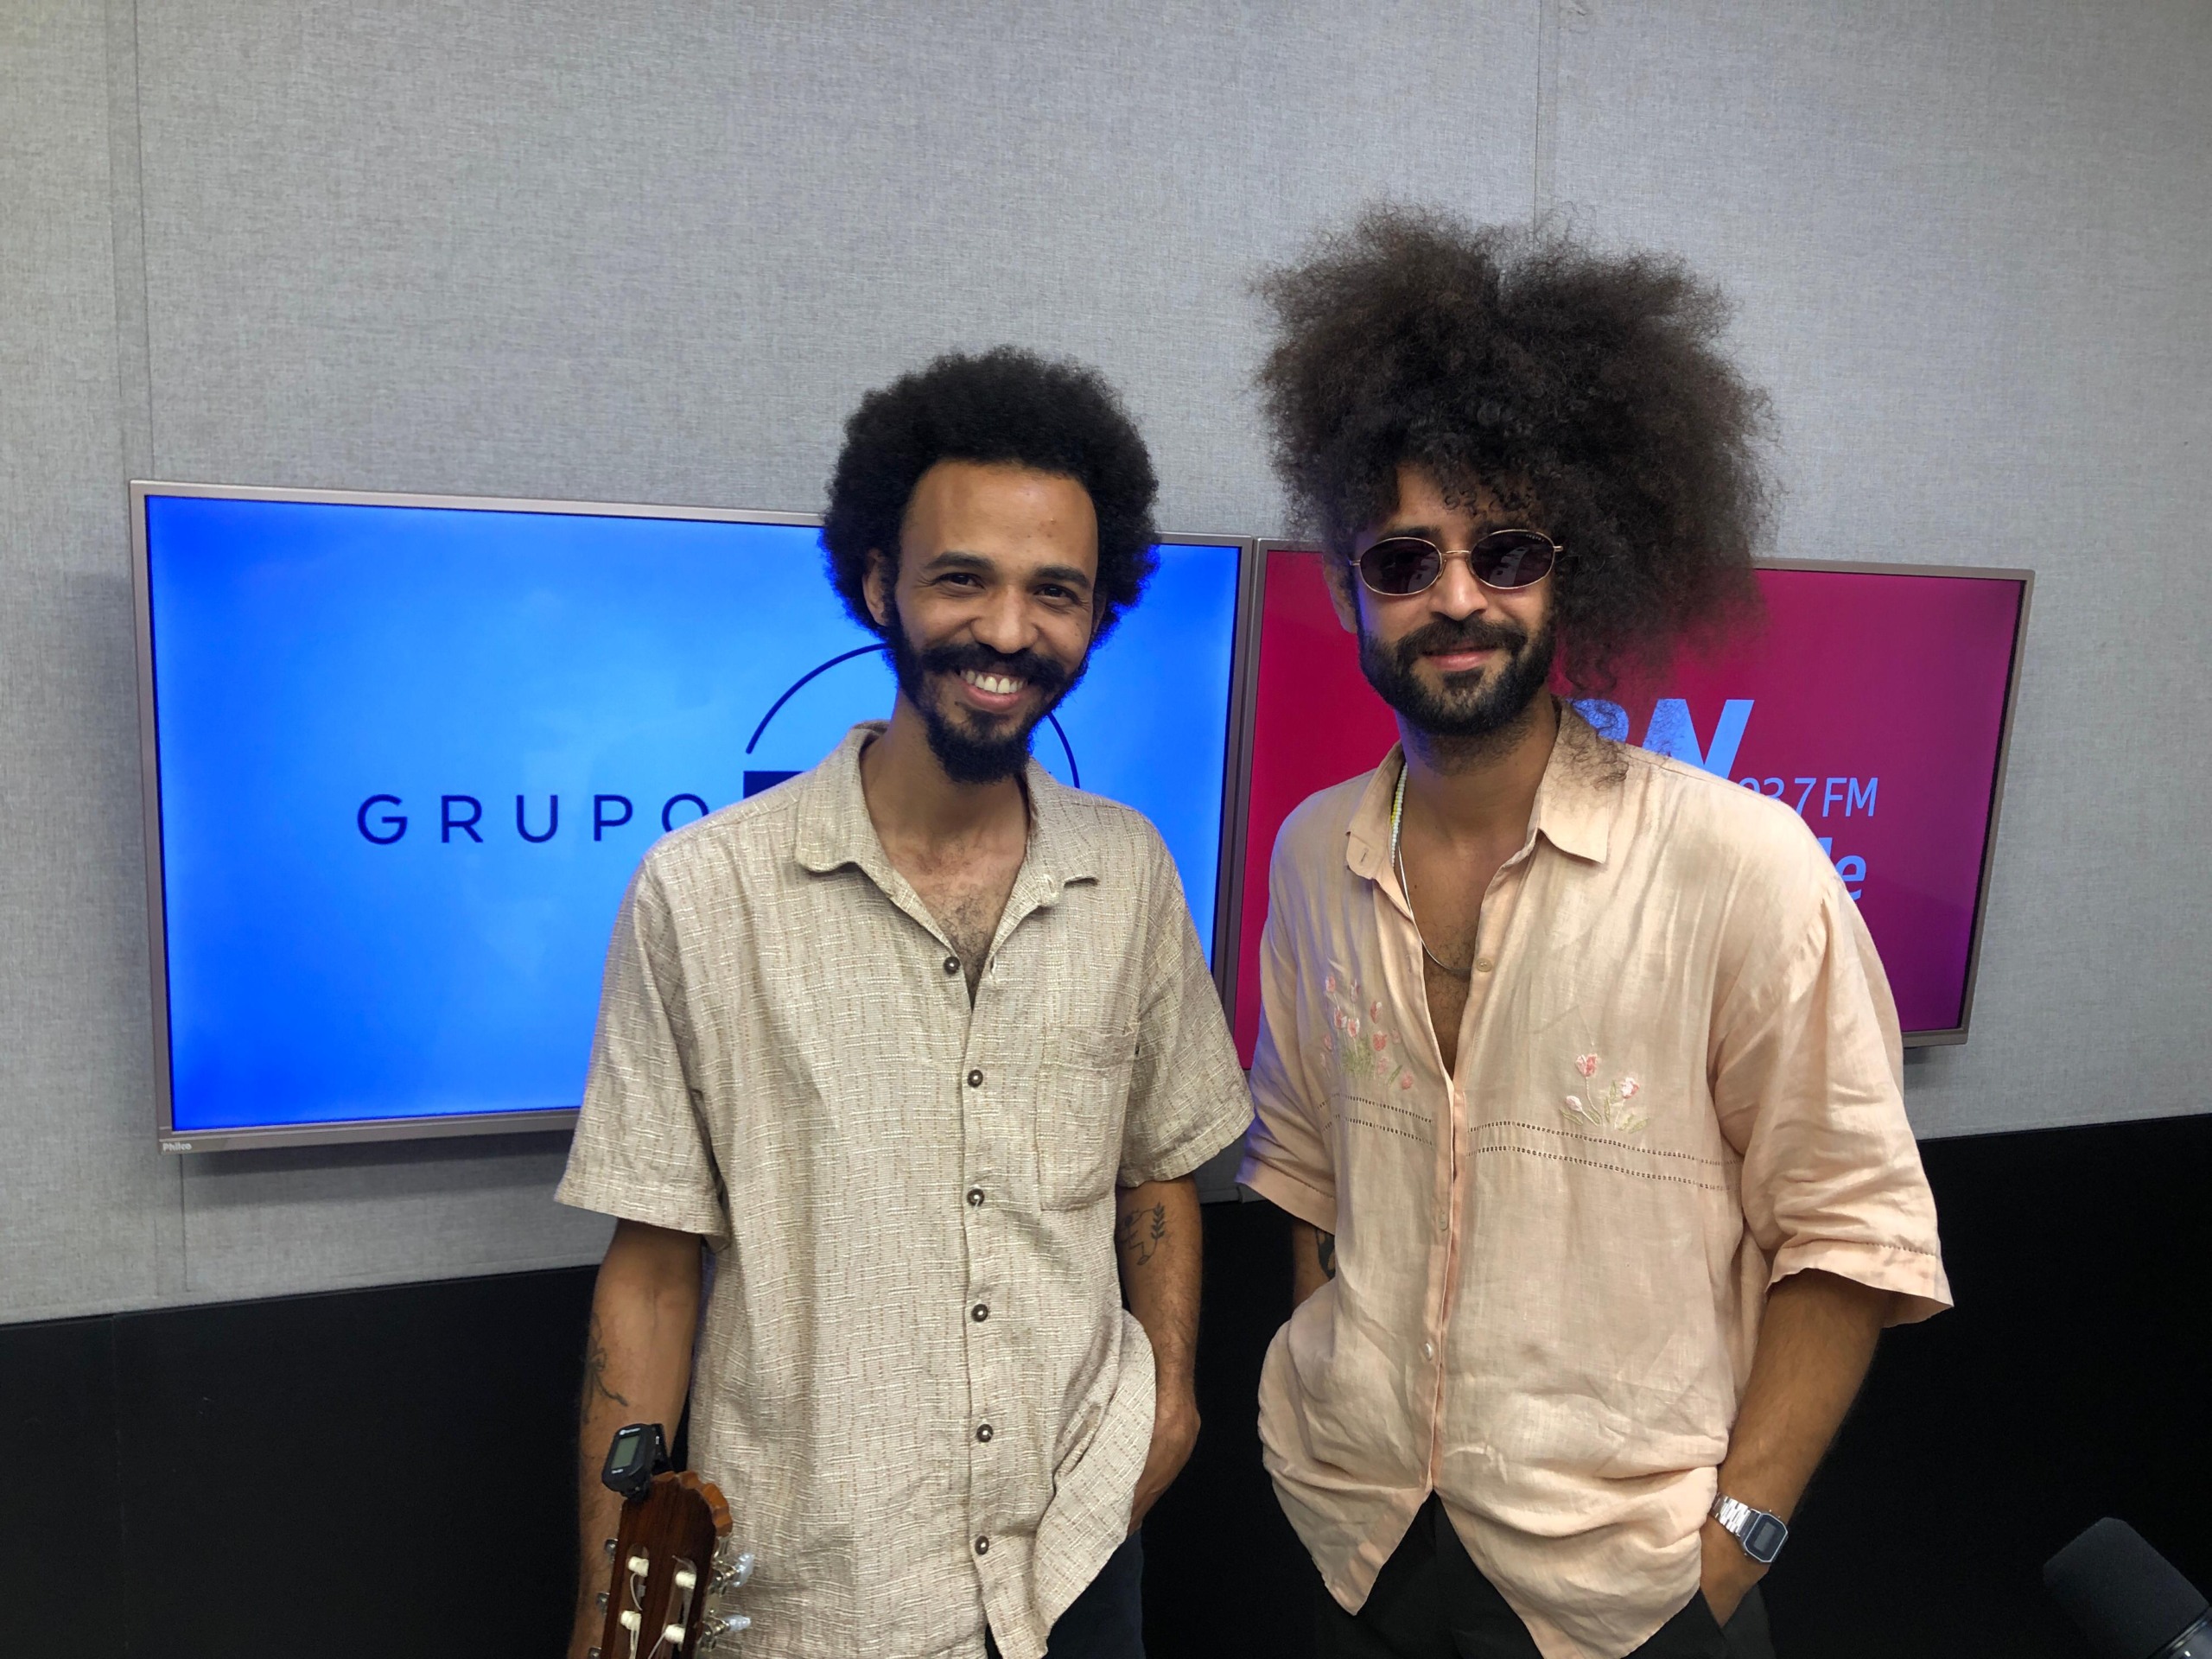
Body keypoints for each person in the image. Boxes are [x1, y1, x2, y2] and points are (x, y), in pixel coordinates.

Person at [1236, 207, 1952, 1659]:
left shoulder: (1742, 866)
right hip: (1357, 1540)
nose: (1456, 597)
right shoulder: (1312, 854)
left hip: (1633, 1593)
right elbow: (1305, 1176)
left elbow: (1851, 1235)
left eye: (1504, 550)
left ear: (1581, 564)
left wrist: (1735, 1545)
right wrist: (1333, 1425)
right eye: (1402, 558)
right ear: (1345, 583)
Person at [558, 347, 1250, 1659]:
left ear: (1098, 614)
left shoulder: (1134, 874)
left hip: (1078, 1567)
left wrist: (1165, 1409)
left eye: (1055, 592)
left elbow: (1160, 1173)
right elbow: (650, 1276)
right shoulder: (704, 895)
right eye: (962, 578)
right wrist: (609, 1613)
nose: (1007, 630)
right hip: (816, 1595)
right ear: (878, 582)